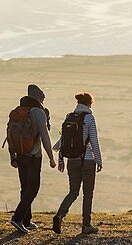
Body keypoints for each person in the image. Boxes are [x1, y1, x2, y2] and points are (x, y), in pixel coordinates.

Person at [52, 92, 103, 235]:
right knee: (88, 194)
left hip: (71, 161)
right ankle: (86, 225)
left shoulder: (69, 117)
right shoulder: (89, 119)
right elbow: (94, 141)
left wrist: (60, 159)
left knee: (73, 192)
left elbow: (63, 140)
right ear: (89, 104)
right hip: (87, 161)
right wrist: (99, 160)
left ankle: (60, 215)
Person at [10, 84, 56, 234]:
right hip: (34, 155)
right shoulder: (39, 113)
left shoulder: (19, 112)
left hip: (20, 154)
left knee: (25, 187)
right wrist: (51, 156)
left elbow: (10, 134)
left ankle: (26, 220)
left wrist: (13, 156)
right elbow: (45, 135)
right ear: (40, 98)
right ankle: (17, 218)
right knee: (34, 188)